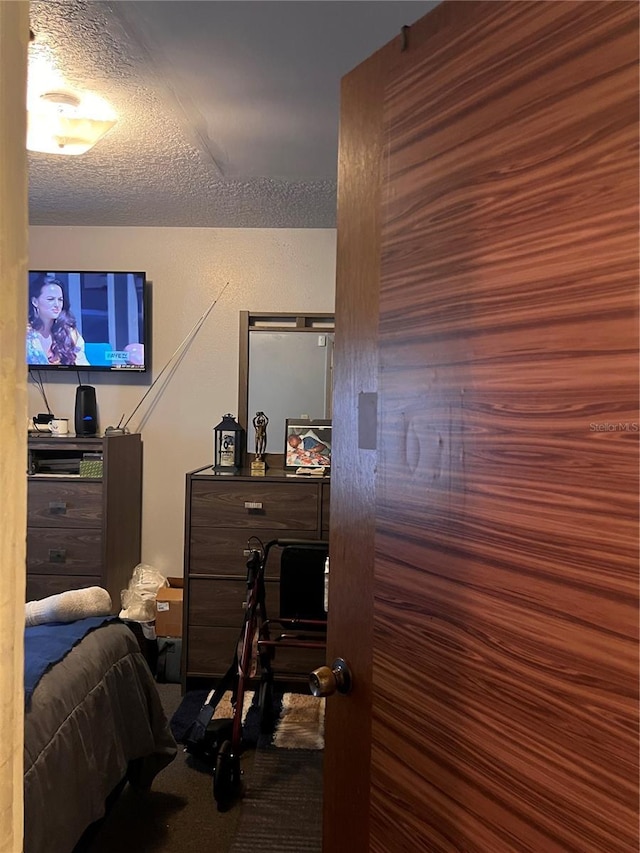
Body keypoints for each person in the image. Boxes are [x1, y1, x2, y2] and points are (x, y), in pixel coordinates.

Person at [27, 274, 89, 366]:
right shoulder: (24, 334)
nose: (57, 305)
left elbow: (84, 367)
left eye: (60, 300)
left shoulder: (69, 333)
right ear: (35, 302)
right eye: (50, 299)